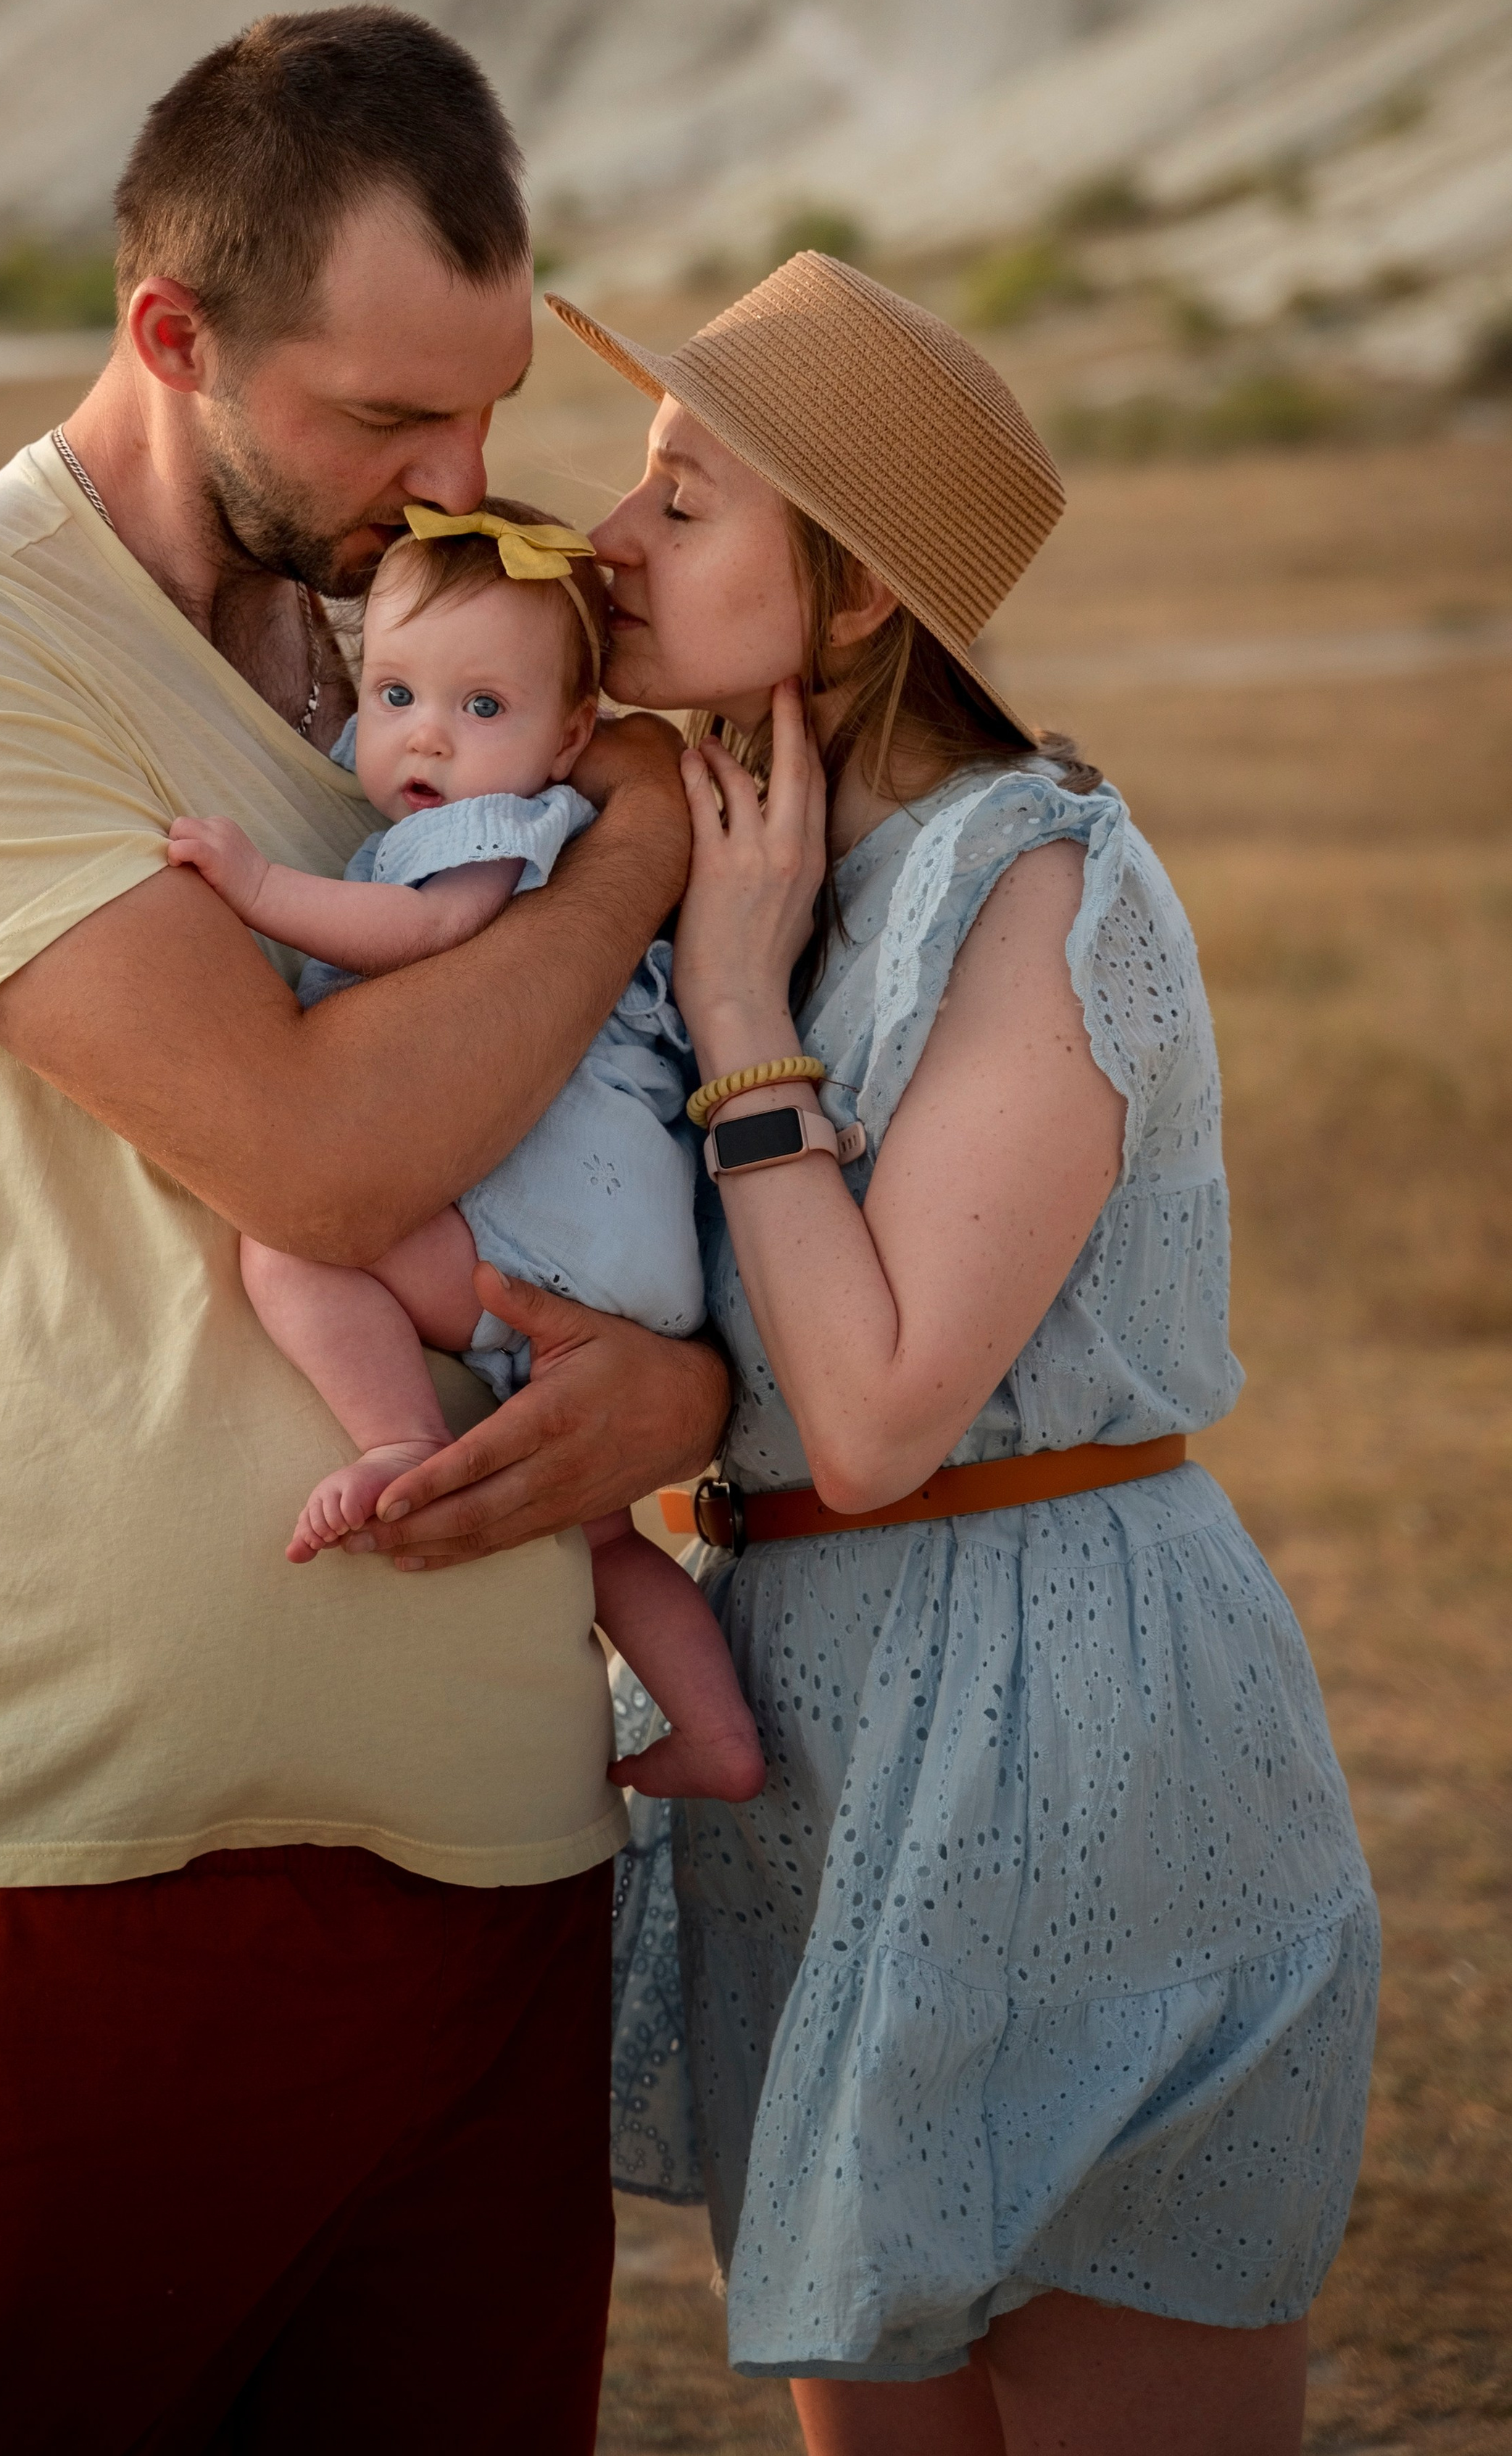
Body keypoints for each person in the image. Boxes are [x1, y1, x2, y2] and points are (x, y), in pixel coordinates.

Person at [0, 5, 728, 2455]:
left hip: (504, 1847)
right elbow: (312, 1159)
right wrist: (628, 842)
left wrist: (679, 1387)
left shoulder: (441, 635)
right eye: (389, 417)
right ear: (173, 332)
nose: (464, 486)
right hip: (84, 1857)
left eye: (491, 408)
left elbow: (614, 1144)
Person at [539, 253, 1381, 2456]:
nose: (609, 537)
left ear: (849, 597)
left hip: (1063, 1708)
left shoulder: (1037, 880)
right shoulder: (751, 861)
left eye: (683, 502)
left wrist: (742, 1015)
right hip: (816, 1729)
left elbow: (882, 1412)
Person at [166, 497, 765, 1802]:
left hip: (543, 1239)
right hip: (620, 1262)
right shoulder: (513, 800)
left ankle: (389, 1435)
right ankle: (718, 1732)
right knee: (606, 1535)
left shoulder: (494, 834)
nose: (427, 734)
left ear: (569, 737)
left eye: (482, 706)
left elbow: (424, 932)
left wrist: (260, 888)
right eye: (395, 694)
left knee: (290, 1249)